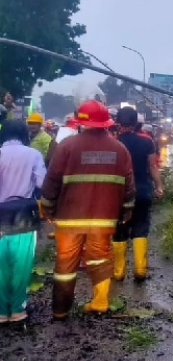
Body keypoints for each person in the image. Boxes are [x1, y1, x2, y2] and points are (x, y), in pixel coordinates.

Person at [40, 101, 136, 319]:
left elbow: (52, 181)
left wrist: (47, 208)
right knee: (100, 258)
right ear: (106, 123)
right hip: (104, 219)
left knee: (65, 265)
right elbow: (129, 186)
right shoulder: (119, 149)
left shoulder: (67, 146)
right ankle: (101, 303)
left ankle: (60, 310)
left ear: (81, 123)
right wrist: (127, 210)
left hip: (69, 220)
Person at [0, 119, 46, 325]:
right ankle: (18, 309)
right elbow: (42, 183)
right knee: (22, 263)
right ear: (24, 134)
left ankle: (2, 311)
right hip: (24, 217)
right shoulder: (33, 155)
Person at [113, 106, 164, 282]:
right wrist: (159, 187)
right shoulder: (147, 141)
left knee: (119, 230)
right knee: (141, 228)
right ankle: (141, 270)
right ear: (136, 123)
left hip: (120, 195)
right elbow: (152, 167)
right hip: (143, 192)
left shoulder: (114, 142)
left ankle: (119, 272)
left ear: (118, 122)